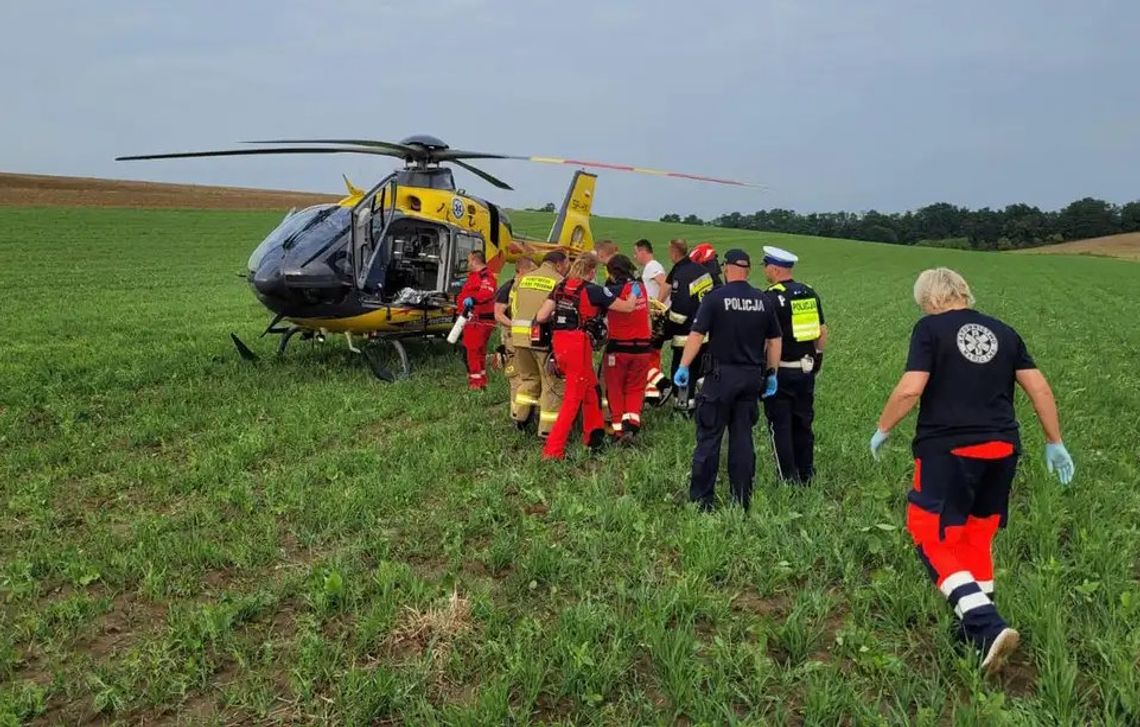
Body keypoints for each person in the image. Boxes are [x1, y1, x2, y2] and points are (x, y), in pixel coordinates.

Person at [870, 267, 1075, 676]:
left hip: (948, 448)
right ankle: (972, 636)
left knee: (926, 532)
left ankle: (986, 624)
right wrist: (1054, 440)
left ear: (929, 300)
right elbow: (1040, 388)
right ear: (963, 292)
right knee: (975, 537)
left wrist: (883, 428)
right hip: (1002, 448)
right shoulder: (1004, 331)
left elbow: (911, 388)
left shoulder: (929, 330)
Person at [674, 249, 781, 510]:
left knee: (710, 437)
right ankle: (741, 499)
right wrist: (772, 373)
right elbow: (775, 340)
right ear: (747, 270)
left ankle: (701, 501)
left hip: (720, 378)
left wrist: (684, 366)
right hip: (750, 378)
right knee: (742, 439)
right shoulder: (762, 300)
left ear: (727, 268)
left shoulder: (715, 298)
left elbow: (697, 335)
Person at [535, 253, 638, 460]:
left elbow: (541, 316)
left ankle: (593, 436)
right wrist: (634, 291)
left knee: (590, 389)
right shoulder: (593, 291)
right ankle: (552, 451)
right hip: (578, 346)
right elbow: (628, 307)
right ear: (592, 272)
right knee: (572, 399)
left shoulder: (561, 287)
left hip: (559, 344)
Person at [761, 246, 828, 484]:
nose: (764, 270)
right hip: (806, 369)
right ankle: (807, 473)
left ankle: (787, 479)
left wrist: (767, 371)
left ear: (775, 268)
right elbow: (821, 332)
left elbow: (768, 340)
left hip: (781, 371)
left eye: (766, 265)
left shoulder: (770, 297)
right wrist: (817, 356)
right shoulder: (809, 293)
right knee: (803, 423)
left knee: (780, 426)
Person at [509, 251, 568, 436]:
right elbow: (559, 313)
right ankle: (547, 430)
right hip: (542, 339)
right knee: (552, 385)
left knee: (528, 379)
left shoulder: (523, 279)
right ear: (558, 264)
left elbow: (514, 308)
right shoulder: (559, 281)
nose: (567, 268)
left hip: (518, 338)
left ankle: (519, 416)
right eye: (566, 264)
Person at [664, 239, 721, 410]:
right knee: (700, 373)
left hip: (684, 337)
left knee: (682, 374)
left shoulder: (681, 275)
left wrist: (665, 329)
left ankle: (683, 409)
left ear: (674, 253)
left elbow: (678, 311)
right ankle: (704, 405)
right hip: (705, 335)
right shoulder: (704, 273)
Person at [602, 255, 653, 442]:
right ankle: (632, 424)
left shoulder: (610, 291)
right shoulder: (640, 288)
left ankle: (618, 430)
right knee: (636, 388)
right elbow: (647, 315)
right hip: (642, 347)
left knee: (615, 389)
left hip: (619, 348)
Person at [494, 257, 537, 418]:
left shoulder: (529, 287)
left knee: (530, 376)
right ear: (521, 271)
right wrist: (515, 325)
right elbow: (498, 314)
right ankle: (517, 414)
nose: (534, 274)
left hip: (528, 336)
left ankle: (528, 412)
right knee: (516, 377)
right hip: (511, 337)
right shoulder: (507, 288)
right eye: (531, 271)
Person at [456, 250, 498, 390]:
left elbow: (487, 292)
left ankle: (476, 383)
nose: (468, 264)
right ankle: (482, 379)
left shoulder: (485, 276)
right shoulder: (474, 276)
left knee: (473, 351)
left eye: (469, 261)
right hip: (474, 319)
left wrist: (473, 299)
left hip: (478, 320)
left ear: (474, 260)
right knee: (479, 351)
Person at [635, 239, 670, 405]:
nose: (636, 257)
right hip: (655, 316)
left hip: (654, 317)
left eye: (636, 253)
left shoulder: (652, 266)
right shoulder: (652, 266)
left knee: (647, 355)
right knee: (652, 356)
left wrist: (657, 304)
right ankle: (653, 394)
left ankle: (662, 386)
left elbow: (665, 284)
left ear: (643, 251)